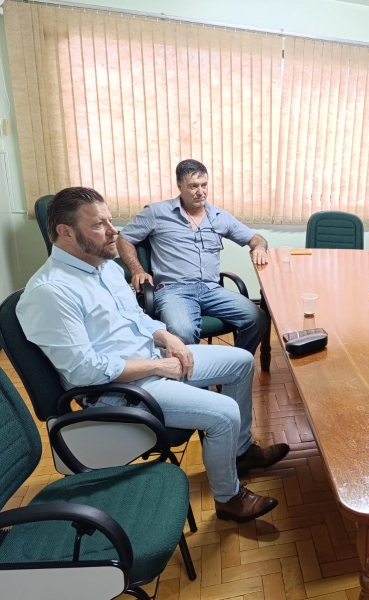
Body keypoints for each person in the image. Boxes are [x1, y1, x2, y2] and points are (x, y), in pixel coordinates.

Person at [17, 187, 290, 523]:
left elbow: (137, 317)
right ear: (66, 232)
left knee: (242, 362)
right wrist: (158, 366)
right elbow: (85, 371)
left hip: (151, 360)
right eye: (99, 225)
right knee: (224, 412)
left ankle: (241, 452)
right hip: (119, 390)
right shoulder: (51, 292)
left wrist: (167, 337)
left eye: (110, 220)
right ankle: (229, 499)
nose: (114, 231)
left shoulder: (104, 267)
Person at [117, 159, 269, 355]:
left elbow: (256, 239)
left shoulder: (219, 216)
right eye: (193, 186)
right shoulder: (156, 212)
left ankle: (236, 363)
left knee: (258, 318)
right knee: (183, 332)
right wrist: (137, 270)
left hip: (212, 290)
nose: (200, 191)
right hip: (173, 290)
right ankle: (196, 374)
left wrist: (260, 248)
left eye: (204, 185)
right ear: (179, 186)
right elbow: (124, 238)